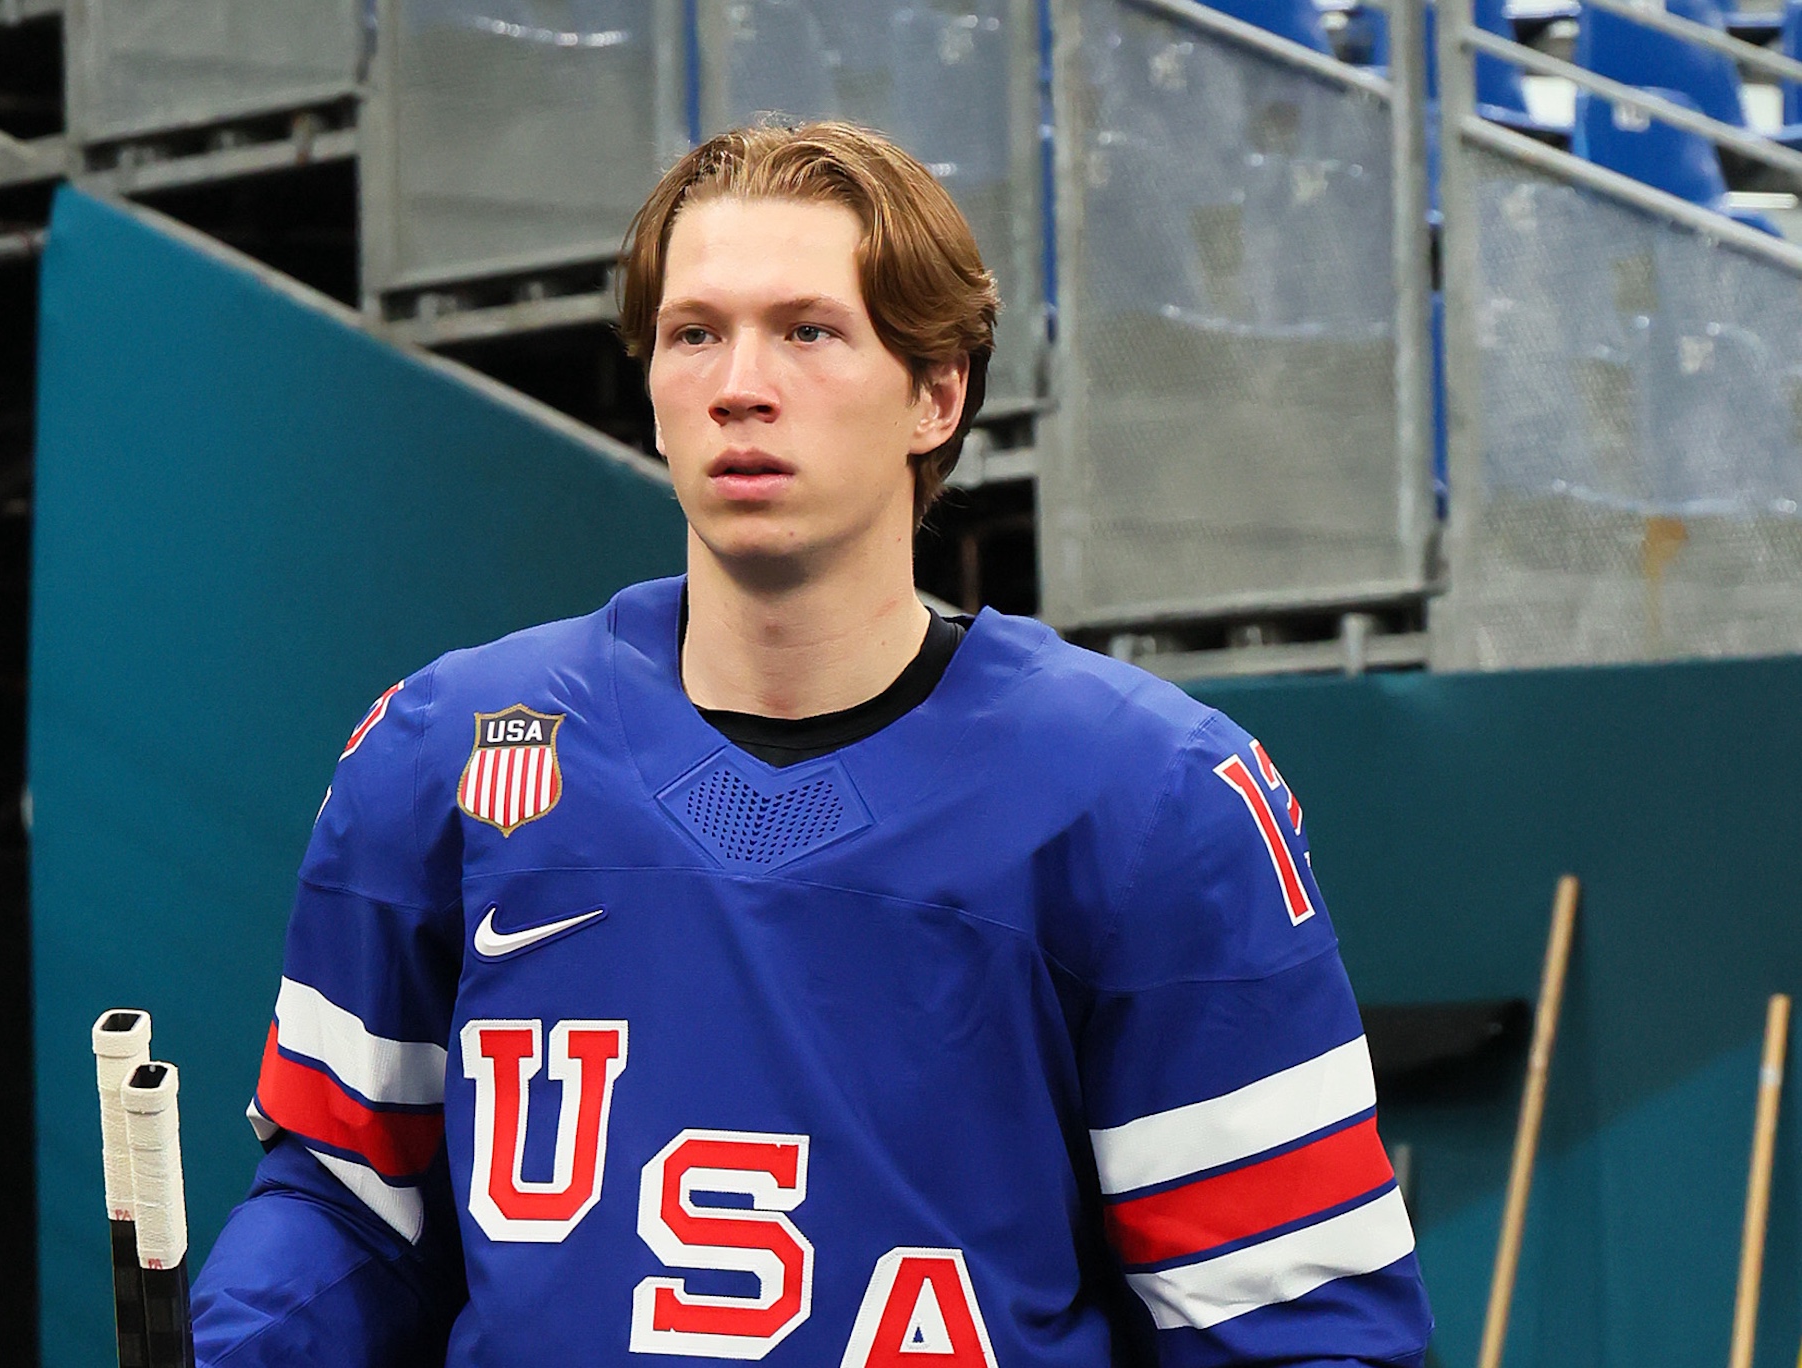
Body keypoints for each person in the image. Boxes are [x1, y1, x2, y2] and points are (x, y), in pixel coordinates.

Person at [190, 121, 1432, 1367]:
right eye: (694, 333)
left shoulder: (1154, 798)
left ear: (937, 393)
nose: (739, 381)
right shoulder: (442, 752)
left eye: (808, 330)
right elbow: (346, 1208)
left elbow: (1293, 1324)